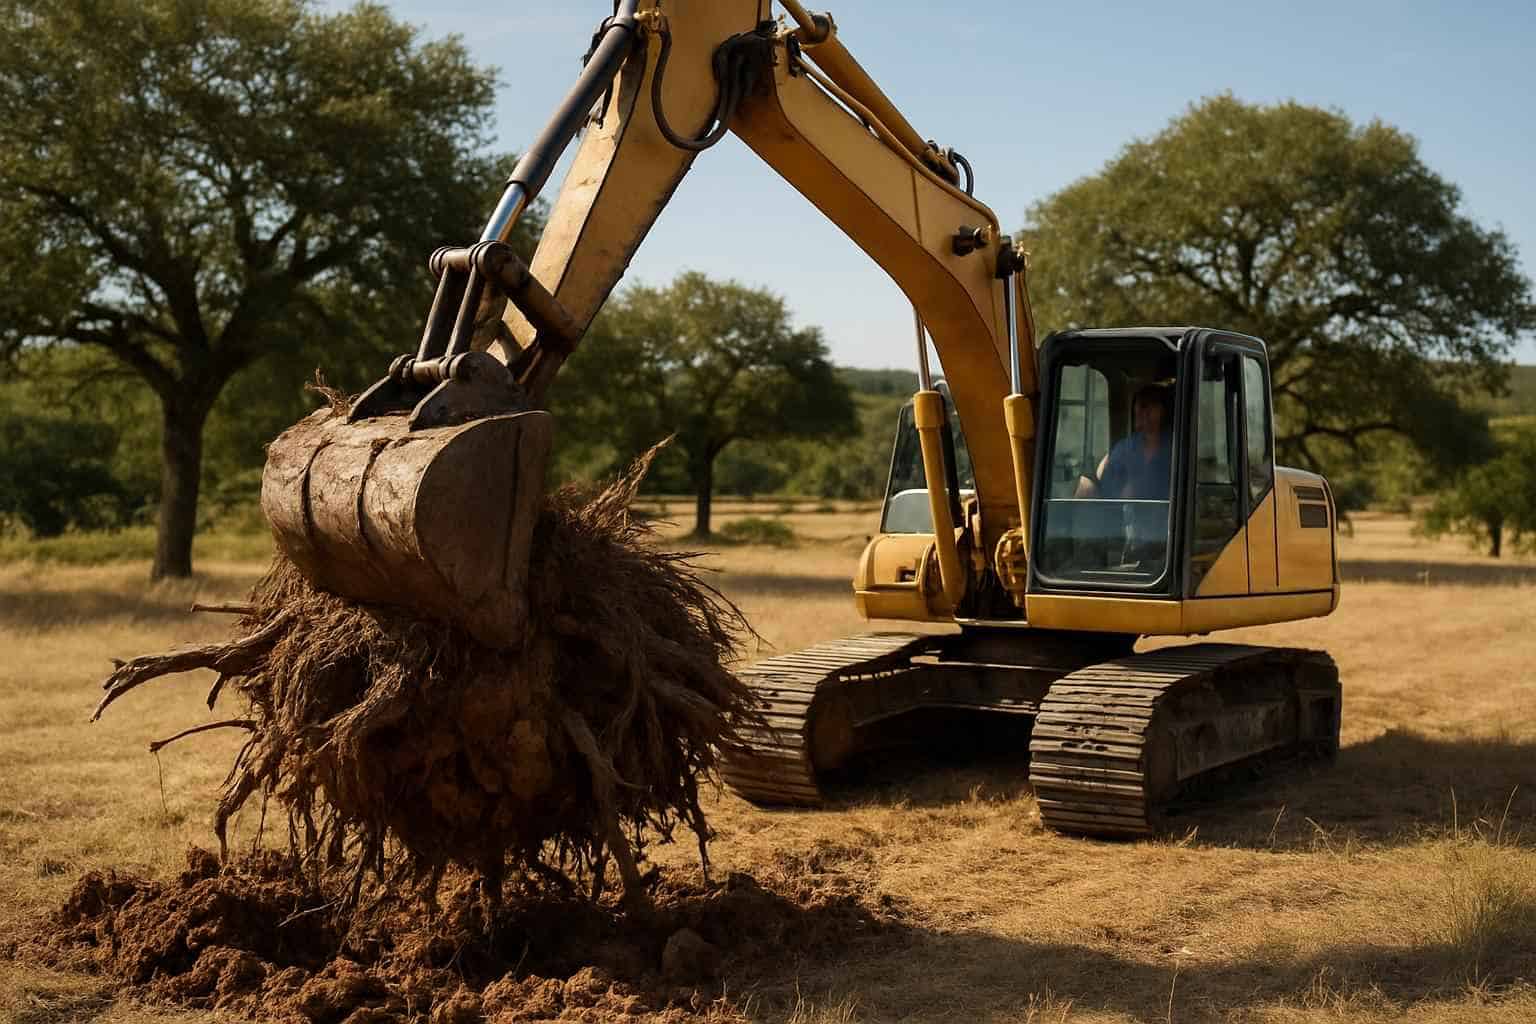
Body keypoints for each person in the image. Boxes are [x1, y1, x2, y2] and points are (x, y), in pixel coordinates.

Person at [1094, 383, 1173, 500]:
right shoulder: (1124, 448)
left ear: (1164, 410)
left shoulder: (1177, 448)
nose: (1140, 411)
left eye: (1147, 405)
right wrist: (1123, 493)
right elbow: (1107, 493)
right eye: (1138, 406)